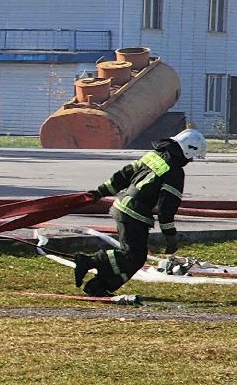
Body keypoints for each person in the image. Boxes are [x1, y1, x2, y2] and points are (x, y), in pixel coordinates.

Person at [74, 127, 204, 297]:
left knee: (134, 256)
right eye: (192, 156)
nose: (191, 160)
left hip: (123, 208)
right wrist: (170, 237)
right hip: (134, 214)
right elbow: (167, 208)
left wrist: (101, 191)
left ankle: (98, 286)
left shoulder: (154, 156)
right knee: (132, 257)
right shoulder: (175, 173)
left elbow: (124, 174)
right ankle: (89, 262)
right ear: (188, 150)